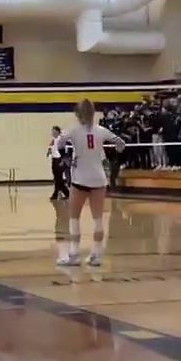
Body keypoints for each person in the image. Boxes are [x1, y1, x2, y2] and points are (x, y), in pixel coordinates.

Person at [56, 100, 126, 267]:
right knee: (98, 219)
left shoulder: (72, 130)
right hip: (98, 179)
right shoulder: (101, 130)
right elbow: (121, 144)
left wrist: (67, 155)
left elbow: (59, 144)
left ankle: (73, 255)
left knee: (74, 218)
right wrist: (117, 150)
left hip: (80, 178)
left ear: (78, 115)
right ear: (93, 114)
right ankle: (96, 255)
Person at [48, 126, 70, 201]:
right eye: (52, 131)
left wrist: (62, 161)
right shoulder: (54, 139)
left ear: (57, 131)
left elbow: (64, 151)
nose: (52, 132)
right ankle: (61, 193)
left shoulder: (61, 139)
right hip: (54, 160)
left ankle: (61, 193)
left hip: (59, 160)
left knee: (59, 179)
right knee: (57, 178)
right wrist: (49, 151)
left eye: (54, 131)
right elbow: (51, 147)